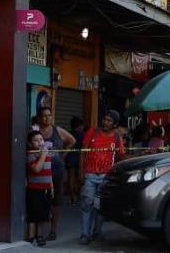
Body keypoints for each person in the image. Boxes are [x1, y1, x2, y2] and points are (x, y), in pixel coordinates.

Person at [77, 110, 125, 244]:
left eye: (109, 121)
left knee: (100, 206)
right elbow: (82, 152)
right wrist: (80, 172)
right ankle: (85, 234)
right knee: (86, 204)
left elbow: (122, 156)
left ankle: (97, 232)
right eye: (105, 119)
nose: (105, 122)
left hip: (105, 177)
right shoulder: (92, 132)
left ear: (114, 124)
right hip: (90, 175)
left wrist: (143, 155)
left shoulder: (116, 137)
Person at [35, 105, 75, 240]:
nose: (47, 118)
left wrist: (63, 155)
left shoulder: (57, 130)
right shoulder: (35, 131)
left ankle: (53, 231)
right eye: (44, 116)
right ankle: (37, 231)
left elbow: (72, 141)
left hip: (57, 170)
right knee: (39, 199)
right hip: (40, 171)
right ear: (39, 118)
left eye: (49, 115)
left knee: (56, 200)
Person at [25, 129, 53, 246]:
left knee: (43, 214)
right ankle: (31, 237)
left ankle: (39, 235)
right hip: (34, 189)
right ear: (30, 144)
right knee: (33, 213)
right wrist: (43, 155)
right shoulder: (30, 155)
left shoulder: (46, 154)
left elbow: (49, 172)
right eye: (36, 141)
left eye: (41, 139)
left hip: (46, 188)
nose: (40, 142)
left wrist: (52, 187)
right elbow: (37, 169)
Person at [66, 116, 86, 205]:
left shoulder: (68, 134)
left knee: (71, 178)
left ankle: (73, 197)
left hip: (70, 158)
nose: (83, 127)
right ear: (79, 126)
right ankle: (77, 196)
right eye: (82, 125)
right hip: (80, 158)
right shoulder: (83, 135)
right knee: (80, 178)